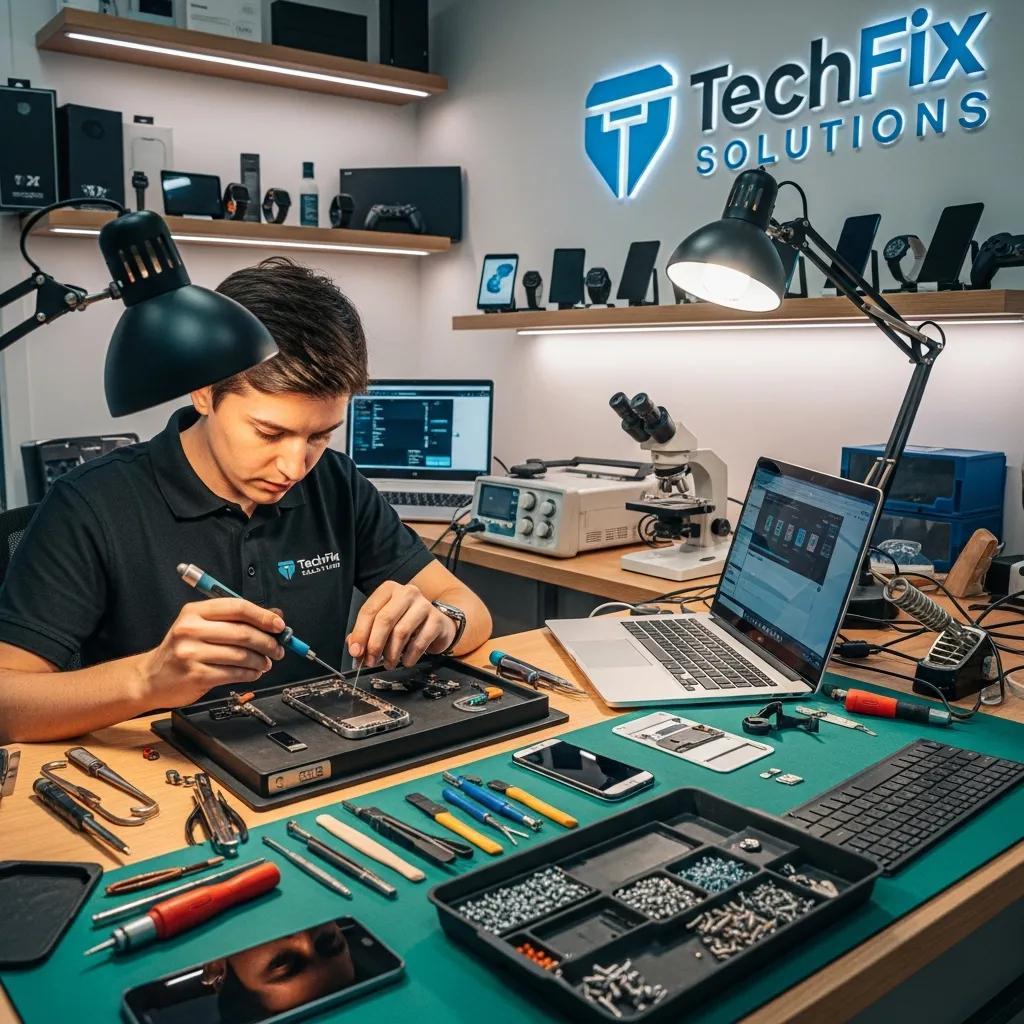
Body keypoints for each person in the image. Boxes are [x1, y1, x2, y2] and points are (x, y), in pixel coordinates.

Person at [0, 257, 491, 742]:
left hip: (310, 761)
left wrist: (442, 624)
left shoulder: (336, 484)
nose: (294, 468)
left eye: (320, 435)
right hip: (160, 780)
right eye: (268, 432)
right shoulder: (91, 505)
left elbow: (469, 608)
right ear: (203, 393)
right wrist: (147, 680)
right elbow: (8, 703)